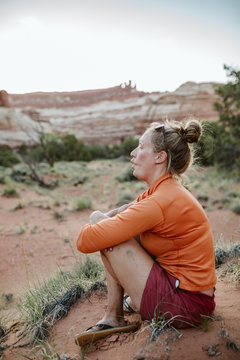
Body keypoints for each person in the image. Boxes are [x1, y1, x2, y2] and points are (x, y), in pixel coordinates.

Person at [75, 119, 216, 346]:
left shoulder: (160, 200)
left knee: (112, 237)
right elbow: (120, 214)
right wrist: (101, 218)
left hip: (187, 306)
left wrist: (98, 222)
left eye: (141, 147)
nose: (133, 153)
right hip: (190, 297)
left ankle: (114, 317)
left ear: (160, 157)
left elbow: (85, 241)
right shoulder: (162, 191)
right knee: (106, 226)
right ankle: (114, 315)